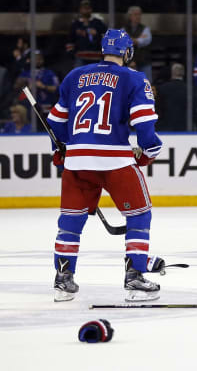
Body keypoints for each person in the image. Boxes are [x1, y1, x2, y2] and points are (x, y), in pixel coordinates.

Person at [46, 29, 164, 302]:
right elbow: (146, 131)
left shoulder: (75, 76)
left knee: (70, 222)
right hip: (115, 160)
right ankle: (134, 277)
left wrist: (61, 147)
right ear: (127, 52)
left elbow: (55, 121)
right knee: (139, 215)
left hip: (78, 161)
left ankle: (63, 279)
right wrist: (149, 152)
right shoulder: (134, 78)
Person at [66, 0, 107, 67]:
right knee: (79, 76)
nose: (86, 10)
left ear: (91, 9)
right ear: (80, 10)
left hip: (96, 56)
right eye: (84, 8)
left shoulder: (98, 23)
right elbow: (70, 40)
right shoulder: (75, 24)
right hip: (80, 57)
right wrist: (72, 54)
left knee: (97, 76)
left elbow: (105, 38)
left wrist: (97, 35)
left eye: (88, 8)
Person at [123, 6, 153, 82]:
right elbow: (122, 43)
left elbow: (146, 40)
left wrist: (133, 40)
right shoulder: (124, 29)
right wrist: (138, 38)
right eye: (135, 14)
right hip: (129, 62)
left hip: (144, 62)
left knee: (146, 85)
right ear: (130, 16)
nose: (138, 17)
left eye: (139, 14)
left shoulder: (145, 29)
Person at [155, 63, 187, 131]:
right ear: (183, 73)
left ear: (172, 73)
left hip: (165, 126)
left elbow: (158, 108)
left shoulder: (162, 88)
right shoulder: (189, 89)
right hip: (185, 126)